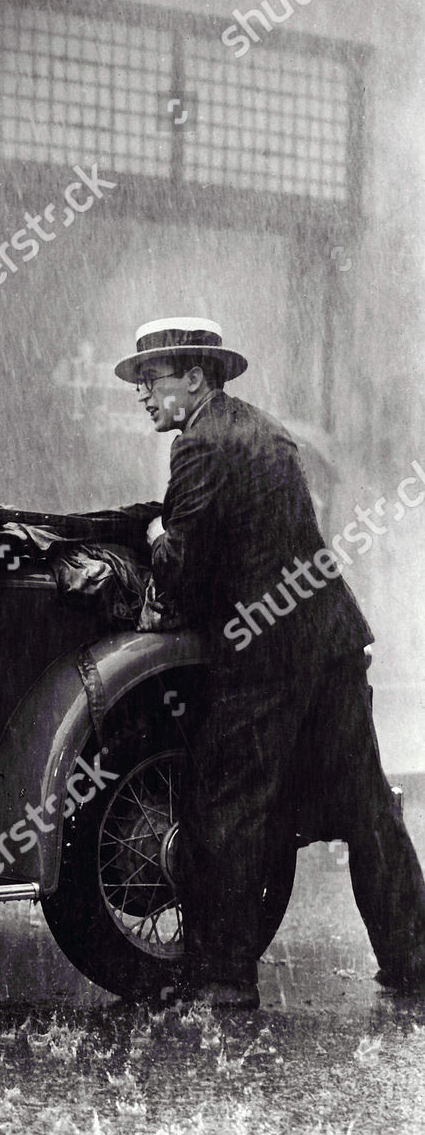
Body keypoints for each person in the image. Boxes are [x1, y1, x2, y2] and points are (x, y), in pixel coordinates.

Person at [113, 316, 425, 1008]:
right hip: (329, 638)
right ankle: (414, 957)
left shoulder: (198, 445)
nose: (143, 394)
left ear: (195, 377)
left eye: (152, 379)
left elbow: (187, 570)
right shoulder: (262, 428)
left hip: (266, 652)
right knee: (367, 806)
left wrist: (156, 532)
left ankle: (222, 977)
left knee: (228, 804)